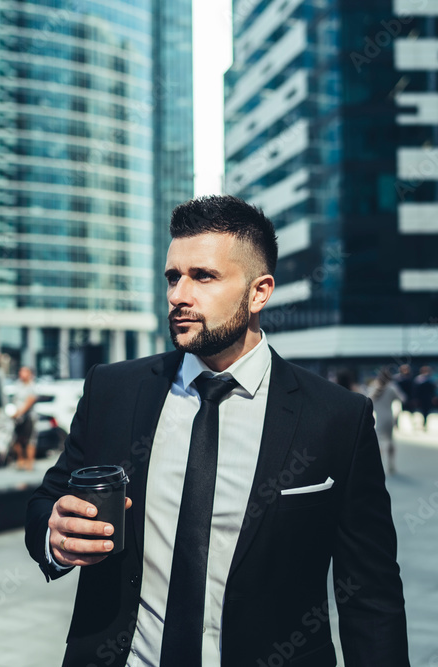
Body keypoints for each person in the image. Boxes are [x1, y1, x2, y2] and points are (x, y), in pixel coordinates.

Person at [26, 195, 409, 666]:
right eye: (173, 277)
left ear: (259, 292)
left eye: (203, 277)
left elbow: (370, 595)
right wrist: (56, 536)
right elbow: (49, 501)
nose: (178, 295)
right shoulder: (114, 390)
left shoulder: (337, 418)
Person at [365, 367, 406, 475]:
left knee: (378, 443)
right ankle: (391, 465)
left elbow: (367, 401)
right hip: (389, 417)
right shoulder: (392, 388)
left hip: (378, 418)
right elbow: (402, 399)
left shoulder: (373, 388)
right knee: (390, 441)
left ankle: (377, 465)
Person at [10, 365, 40, 470]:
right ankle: (20, 460)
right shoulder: (17, 385)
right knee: (17, 439)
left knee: (30, 440)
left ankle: (29, 463)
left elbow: (30, 401)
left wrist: (19, 412)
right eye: (20, 371)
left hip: (29, 417)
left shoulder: (32, 386)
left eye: (24, 372)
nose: (21, 374)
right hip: (17, 418)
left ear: (29, 374)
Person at [413, 366, 437, 432]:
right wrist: (415, 398)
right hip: (420, 398)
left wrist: (434, 397)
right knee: (420, 411)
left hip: (428, 398)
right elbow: (415, 390)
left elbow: (433, 390)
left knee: (426, 412)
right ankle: (420, 423)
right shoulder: (419, 379)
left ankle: (424, 424)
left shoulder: (430, 379)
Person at [392, 364, 416, 431]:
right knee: (397, 412)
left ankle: (413, 426)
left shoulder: (410, 377)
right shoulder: (397, 378)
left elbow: (413, 389)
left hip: (409, 398)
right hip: (398, 398)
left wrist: (413, 398)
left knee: (411, 412)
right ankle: (396, 425)